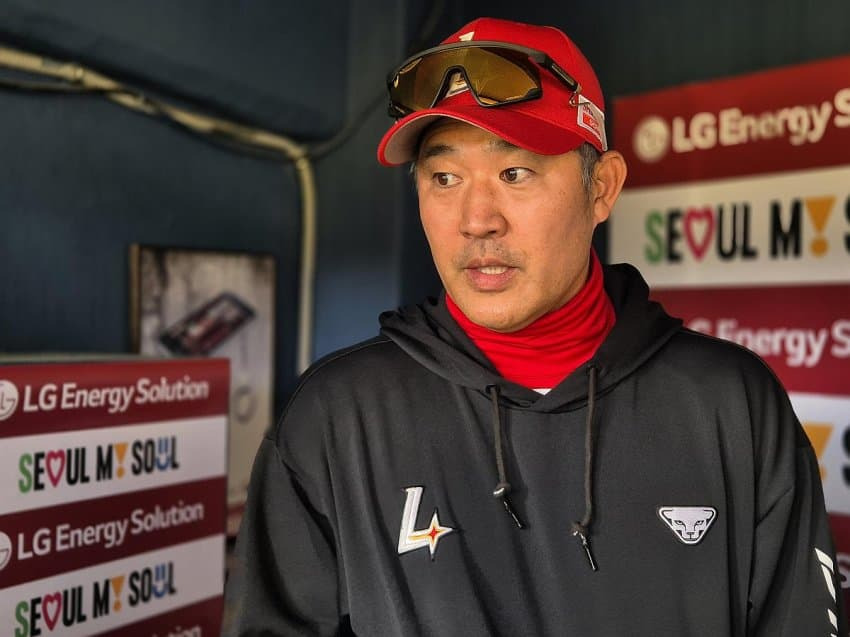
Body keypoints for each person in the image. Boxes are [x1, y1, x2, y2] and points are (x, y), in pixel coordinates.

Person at [222, 17, 846, 636]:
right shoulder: (336, 416)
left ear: (602, 189)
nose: (477, 220)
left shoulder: (731, 403)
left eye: (514, 173)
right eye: (444, 178)